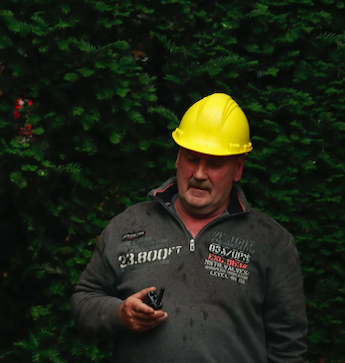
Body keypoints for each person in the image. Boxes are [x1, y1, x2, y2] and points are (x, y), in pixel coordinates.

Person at [71, 93, 307, 362]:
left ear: (238, 168)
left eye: (214, 163)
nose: (199, 174)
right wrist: (119, 313)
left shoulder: (270, 242)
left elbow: (289, 348)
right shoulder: (128, 226)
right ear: (177, 157)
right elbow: (84, 301)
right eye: (192, 159)